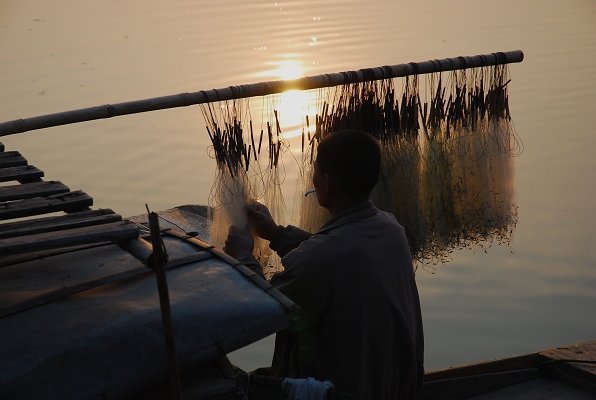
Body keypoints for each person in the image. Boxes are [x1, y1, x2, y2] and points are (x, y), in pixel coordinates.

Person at [224, 129, 424, 400]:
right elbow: (335, 254)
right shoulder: (392, 229)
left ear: (328, 183)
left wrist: (243, 257)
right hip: (393, 387)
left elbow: (265, 309)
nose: (313, 178)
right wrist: (277, 234)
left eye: (316, 170)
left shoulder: (321, 259)